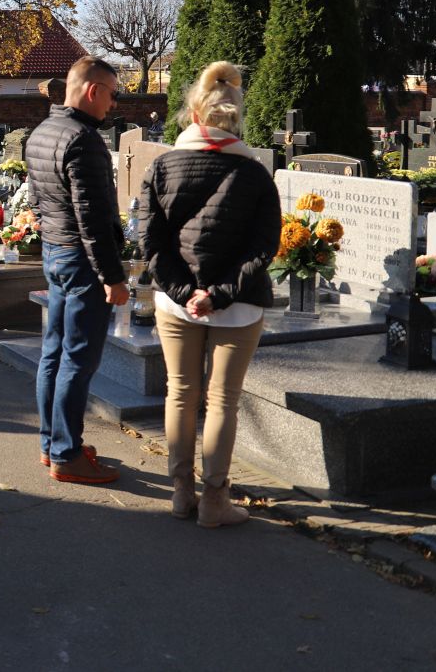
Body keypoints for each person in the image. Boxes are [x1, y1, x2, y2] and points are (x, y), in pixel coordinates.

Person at [140, 61, 280, 527]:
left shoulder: (162, 167)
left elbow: (150, 243)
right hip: (237, 305)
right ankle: (215, 501)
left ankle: (181, 493)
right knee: (222, 400)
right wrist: (216, 296)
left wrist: (183, 293)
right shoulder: (255, 173)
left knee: (179, 394)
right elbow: (264, 246)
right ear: (236, 116)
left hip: (174, 303)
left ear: (194, 114)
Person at [24, 56, 128, 484]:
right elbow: (93, 217)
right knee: (77, 359)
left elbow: (35, 201)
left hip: (55, 251)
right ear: (92, 91)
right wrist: (112, 277)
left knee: (54, 351)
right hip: (83, 260)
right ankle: (67, 455)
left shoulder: (42, 131)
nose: (114, 104)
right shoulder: (84, 140)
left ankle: (52, 444)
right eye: (113, 94)